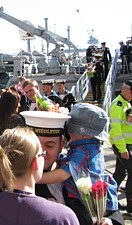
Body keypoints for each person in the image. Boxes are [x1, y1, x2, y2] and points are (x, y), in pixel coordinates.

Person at [0, 127, 79, 225]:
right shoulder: (63, 217)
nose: (45, 155)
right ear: (35, 162)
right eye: (42, 153)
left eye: (50, 145)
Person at [38, 103, 119, 225]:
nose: (43, 151)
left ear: (61, 144)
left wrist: (36, 178)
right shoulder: (90, 148)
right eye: (37, 145)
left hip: (87, 203)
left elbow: (61, 175)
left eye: (50, 145)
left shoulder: (82, 151)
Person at [110, 80, 132, 212]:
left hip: (127, 144)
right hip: (122, 145)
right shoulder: (118, 105)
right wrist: (122, 149)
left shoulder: (126, 103)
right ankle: (130, 206)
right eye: (131, 92)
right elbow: (116, 129)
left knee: (120, 172)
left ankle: (108, 195)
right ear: (124, 90)